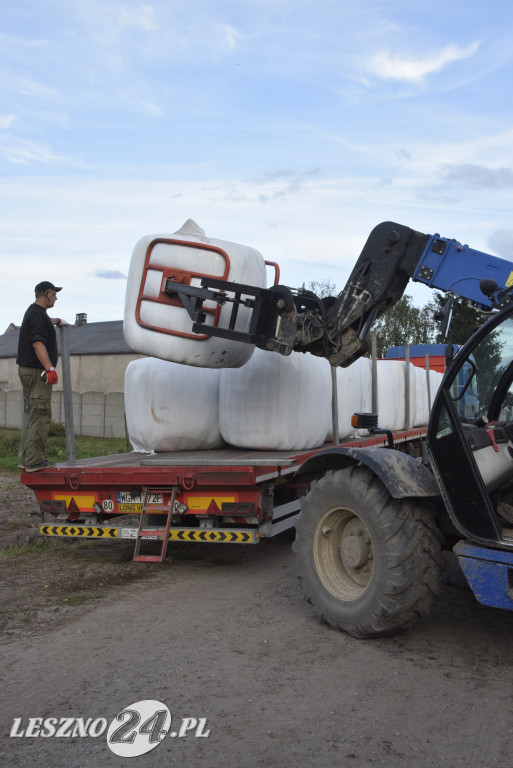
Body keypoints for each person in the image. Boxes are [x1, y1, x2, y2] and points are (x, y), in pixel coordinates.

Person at [16, 281, 66, 472]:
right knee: (41, 413)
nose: (56, 297)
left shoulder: (36, 313)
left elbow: (42, 323)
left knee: (31, 414)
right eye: (53, 294)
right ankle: (35, 461)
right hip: (38, 372)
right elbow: (38, 343)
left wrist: (56, 321)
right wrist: (50, 368)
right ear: (44, 294)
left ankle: (25, 458)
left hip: (28, 370)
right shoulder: (37, 315)